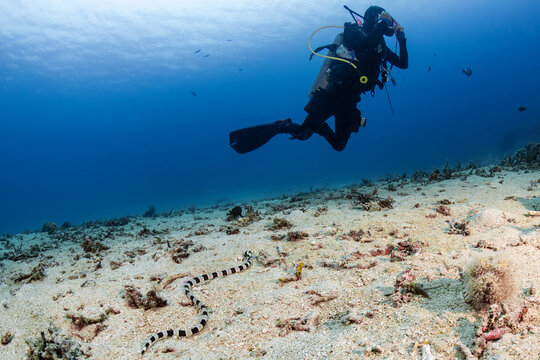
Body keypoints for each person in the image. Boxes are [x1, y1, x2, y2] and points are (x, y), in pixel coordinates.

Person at [229, 5, 408, 154]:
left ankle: (317, 124)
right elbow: (365, 43)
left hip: (351, 100)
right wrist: (380, 26)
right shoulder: (354, 31)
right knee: (303, 134)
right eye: (382, 19)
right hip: (335, 93)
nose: (386, 24)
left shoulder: (381, 46)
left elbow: (403, 63)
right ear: (372, 19)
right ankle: (283, 125)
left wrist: (401, 38)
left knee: (339, 145)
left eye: (387, 21)